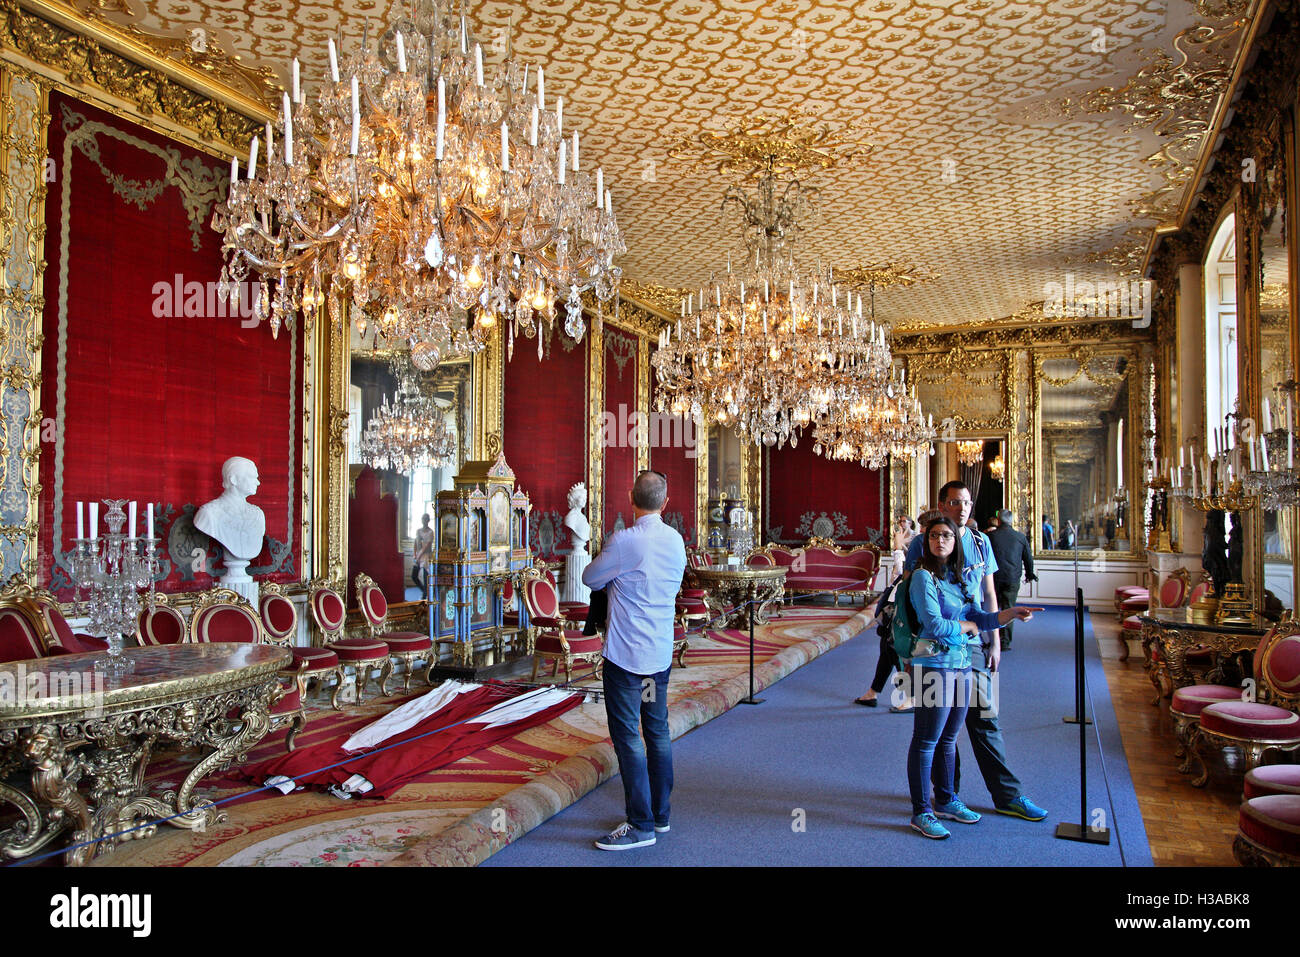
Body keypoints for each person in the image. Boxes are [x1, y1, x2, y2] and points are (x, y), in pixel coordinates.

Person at [904, 480, 1048, 822]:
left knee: (983, 718)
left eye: (966, 502)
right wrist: (908, 655)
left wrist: (996, 639)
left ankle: (1006, 795)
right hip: (933, 648)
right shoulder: (922, 544)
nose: (962, 508)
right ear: (941, 505)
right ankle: (941, 797)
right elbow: (911, 606)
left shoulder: (981, 542)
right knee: (936, 731)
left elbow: (988, 593)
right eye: (954, 502)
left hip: (972, 647)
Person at [583, 470, 687, 851]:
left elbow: (589, 577)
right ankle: (660, 816)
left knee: (628, 737)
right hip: (657, 659)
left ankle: (641, 824)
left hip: (627, 661)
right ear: (665, 501)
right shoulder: (676, 541)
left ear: (631, 498)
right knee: (656, 732)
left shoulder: (626, 542)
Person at [987, 509, 1037, 650]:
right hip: (1012, 578)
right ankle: (1005, 641)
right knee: (1009, 608)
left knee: (993, 608)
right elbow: (1028, 558)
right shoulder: (1020, 537)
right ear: (1011, 521)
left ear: (999, 520)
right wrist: (1030, 573)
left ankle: (993, 639)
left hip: (994, 577)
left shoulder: (991, 536)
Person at [412, 513, 434, 592]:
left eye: (425, 519)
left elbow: (426, 546)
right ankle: (423, 591)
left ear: (428, 520)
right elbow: (415, 543)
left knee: (426, 578)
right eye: (423, 519)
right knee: (414, 576)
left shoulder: (430, 532)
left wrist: (419, 556)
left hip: (426, 556)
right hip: (418, 555)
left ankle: (425, 596)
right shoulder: (418, 531)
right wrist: (415, 554)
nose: (424, 520)